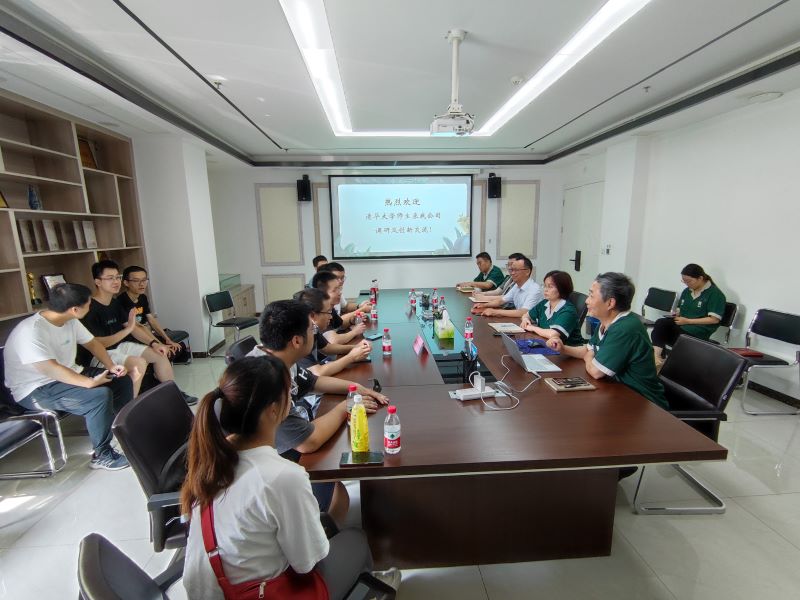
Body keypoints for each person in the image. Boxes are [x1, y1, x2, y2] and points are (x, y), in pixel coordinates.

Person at [181, 355, 399, 600]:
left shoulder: (209, 460)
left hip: (208, 592)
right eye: (289, 392)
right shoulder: (282, 476)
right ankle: (373, 586)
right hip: (261, 594)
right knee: (355, 539)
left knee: (324, 522)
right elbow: (306, 563)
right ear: (274, 410)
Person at [246, 300, 388, 524]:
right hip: (260, 475)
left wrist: (357, 389)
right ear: (296, 341)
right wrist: (345, 406)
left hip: (271, 455)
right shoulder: (266, 382)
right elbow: (308, 442)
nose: (316, 332)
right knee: (337, 494)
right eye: (311, 328)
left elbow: (314, 381)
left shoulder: (276, 358)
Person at [3, 283, 132, 470]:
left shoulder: (70, 320)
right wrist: (89, 383)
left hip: (69, 374)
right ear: (75, 309)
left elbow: (92, 344)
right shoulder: (30, 331)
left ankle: (121, 430)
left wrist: (111, 366)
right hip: (36, 389)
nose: (90, 307)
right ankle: (102, 455)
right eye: (88, 304)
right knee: (98, 396)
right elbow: (50, 369)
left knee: (121, 379)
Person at [80, 260, 197, 404]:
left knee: (159, 354)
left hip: (119, 347)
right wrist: (127, 331)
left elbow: (134, 328)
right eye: (110, 278)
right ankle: (130, 406)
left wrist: (155, 343)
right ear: (97, 282)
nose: (116, 281)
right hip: (99, 355)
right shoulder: (89, 308)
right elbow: (97, 344)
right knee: (138, 364)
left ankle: (174, 393)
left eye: (117, 277)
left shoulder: (115, 303)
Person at [547, 272, 667, 409]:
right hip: (619, 392)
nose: (587, 301)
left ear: (610, 303)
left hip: (643, 404)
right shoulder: (606, 322)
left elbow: (596, 372)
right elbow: (588, 350)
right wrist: (563, 348)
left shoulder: (625, 328)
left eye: (592, 296)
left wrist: (589, 357)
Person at [650, 263, 727, 368]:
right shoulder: (687, 291)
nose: (686, 284)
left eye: (689, 281)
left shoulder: (715, 294)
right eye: (684, 281)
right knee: (660, 323)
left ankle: (658, 360)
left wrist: (688, 321)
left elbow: (714, 320)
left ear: (700, 278)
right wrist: (677, 314)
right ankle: (657, 357)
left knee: (661, 331)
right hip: (682, 325)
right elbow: (680, 309)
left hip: (698, 332)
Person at [293, 288, 372, 377]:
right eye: (328, 312)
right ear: (312, 316)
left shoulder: (312, 328)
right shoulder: (298, 336)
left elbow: (327, 348)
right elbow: (317, 373)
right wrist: (351, 357)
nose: (331, 317)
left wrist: (356, 348)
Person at [117, 265, 183, 356]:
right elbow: (138, 327)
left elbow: (151, 319)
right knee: (164, 352)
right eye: (136, 280)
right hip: (131, 339)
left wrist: (167, 339)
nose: (142, 284)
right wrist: (159, 344)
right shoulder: (121, 301)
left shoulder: (142, 297)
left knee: (177, 348)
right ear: (126, 283)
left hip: (145, 334)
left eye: (144, 280)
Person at [520, 270, 584, 346]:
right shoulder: (544, 303)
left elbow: (553, 334)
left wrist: (532, 328)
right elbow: (527, 315)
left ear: (562, 289)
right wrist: (525, 319)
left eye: (550, 287)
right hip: (546, 345)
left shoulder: (568, 311)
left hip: (568, 350)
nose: (545, 290)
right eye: (545, 286)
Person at [475, 256, 543, 318]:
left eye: (516, 270)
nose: (512, 273)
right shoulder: (517, 286)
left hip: (533, 324)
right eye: (511, 270)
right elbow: (501, 301)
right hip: (521, 321)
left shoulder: (534, 289)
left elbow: (523, 312)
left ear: (527, 272)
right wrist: (484, 305)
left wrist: (495, 312)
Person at [311, 271, 366, 344]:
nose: (340, 293)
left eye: (339, 289)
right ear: (322, 293)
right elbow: (333, 340)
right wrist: (354, 332)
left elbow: (340, 325)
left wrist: (351, 320)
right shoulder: (320, 310)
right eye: (334, 290)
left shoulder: (331, 308)